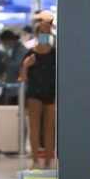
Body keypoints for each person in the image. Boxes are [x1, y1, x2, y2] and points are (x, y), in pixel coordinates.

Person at [21, 23, 57, 169]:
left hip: (51, 92)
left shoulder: (55, 54)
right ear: (36, 34)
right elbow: (23, 78)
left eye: (47, 32)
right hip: (34, 93)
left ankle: (49, 160)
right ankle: (35, 160)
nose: (45, 35)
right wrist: (26, 66)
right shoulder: (30, 54)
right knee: (34, 127)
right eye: (42, 32)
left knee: (50, 128)